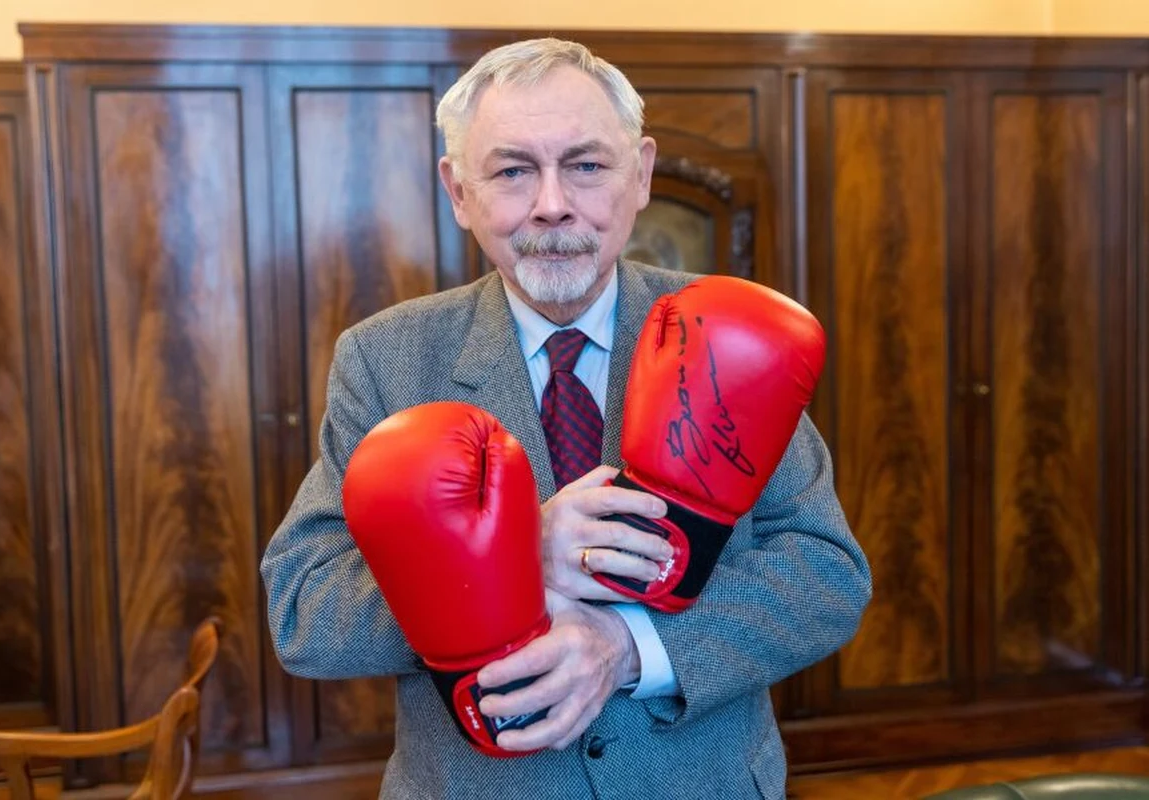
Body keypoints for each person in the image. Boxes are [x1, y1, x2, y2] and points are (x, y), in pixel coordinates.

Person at [260, 37, 872, 800]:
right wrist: (512, 560)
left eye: (586, 165)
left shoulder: (729, 335)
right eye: (513, 170)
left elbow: (826, 574)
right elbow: (303, 613)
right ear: (458, 191)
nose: (552, 202)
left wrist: (629, 648)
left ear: (641, 174)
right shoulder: (384, 360)